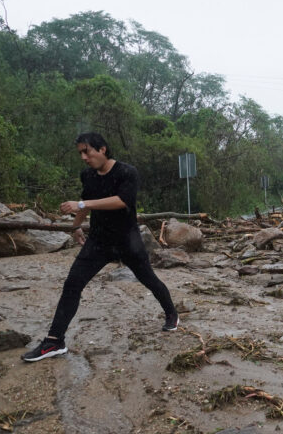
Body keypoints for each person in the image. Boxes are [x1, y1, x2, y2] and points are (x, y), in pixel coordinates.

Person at [22, 132, 179, 362]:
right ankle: (54, 341)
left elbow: (121, 200)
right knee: (72, 284)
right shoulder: (88, 175)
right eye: (81, 153)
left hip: (128, 241)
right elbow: (86, 202)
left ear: (102, 149)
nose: (84, 157)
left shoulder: (127, 172)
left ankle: (172, 314)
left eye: (88, 151)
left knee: (149, 279)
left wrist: (82, 204)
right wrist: (75, 226)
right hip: (98, 241)